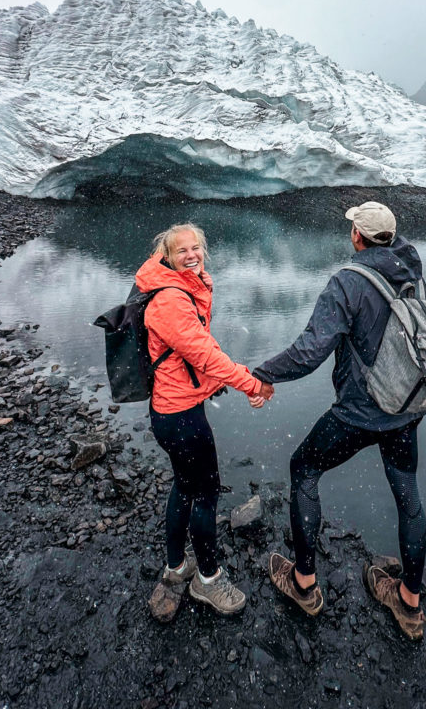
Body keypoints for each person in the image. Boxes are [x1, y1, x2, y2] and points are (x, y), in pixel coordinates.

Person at [252, 201, 426, 639]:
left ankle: (304, 584)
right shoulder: (413, 272)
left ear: (357, 236)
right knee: (407, 493)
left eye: (353, 227)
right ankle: (409, 604)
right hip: (406, 408)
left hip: (360, 412)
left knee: (304, 468)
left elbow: (310, 352)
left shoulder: (348, 282)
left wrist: (261, 374)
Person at [136, 222, 273, 615]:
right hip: (181, 418)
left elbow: (192, 356)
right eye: (182, 251)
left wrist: (216, 383)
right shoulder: (171, 301)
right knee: (206, 493)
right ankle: (209, 581)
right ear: (167, 256)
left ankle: (177, 566)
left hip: (172, 408)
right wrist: (251, 384)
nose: (192, 255)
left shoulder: (177, 288)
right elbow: (205, 355)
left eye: (196, 248)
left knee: (184, 485)